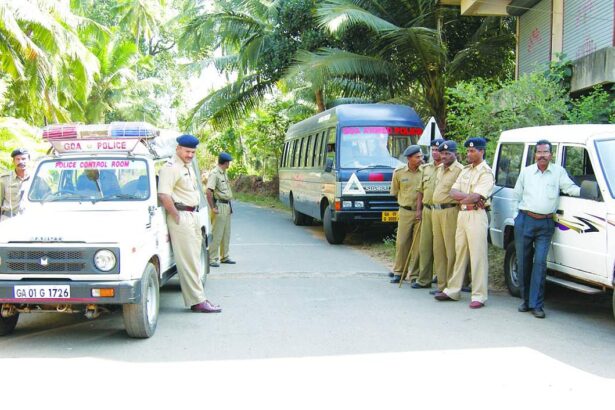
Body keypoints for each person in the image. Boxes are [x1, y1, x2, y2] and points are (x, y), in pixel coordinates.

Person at [513, 139, 580, 319]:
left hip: (546, 223)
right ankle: (525, 301)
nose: (542, 156)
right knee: (523, 261)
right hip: (525, 220)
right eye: (539, 152)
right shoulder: (526, 172)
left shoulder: (558, 172)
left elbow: (570, 188)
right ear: (535, 154)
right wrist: (516, 217)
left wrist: (588, 191)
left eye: (546, 152)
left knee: (540, 264)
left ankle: (537, 305)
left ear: (551, 154)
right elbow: (516, 195)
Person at [158, 135, 221, 313]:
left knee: (194, 258)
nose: (190, 155)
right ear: (178, 148)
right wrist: (176, 216)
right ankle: (197, 301)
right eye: (187, 151)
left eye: (193, 152)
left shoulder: (187, 167)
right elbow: (164, 195)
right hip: (182, 216)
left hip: (192, 215)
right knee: (188, 261)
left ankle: (200, 298)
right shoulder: (170, 168)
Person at [435, 137, 494, 308]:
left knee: (477, 255)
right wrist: (468, 199)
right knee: (460, 252)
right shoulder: (466, 170)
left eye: (472, 151)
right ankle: (453, 290)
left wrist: (470, 198)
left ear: (481, 151)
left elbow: (478, 196)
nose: (469, 153)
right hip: (463, 214)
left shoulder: (486, 172)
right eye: (467, 151)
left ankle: (479, 295)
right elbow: (452, 192)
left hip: (476, 215)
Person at [429, 141, 464, 293]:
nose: (444, 156)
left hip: (450, 211)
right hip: (436, 211)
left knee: (451, 250)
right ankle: (441, 285)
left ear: (455, 153)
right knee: (438, 249)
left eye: (447, 153)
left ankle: (451, 285)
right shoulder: (440, 169)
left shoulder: (460, 170)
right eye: (442, 153)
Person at [411, 138, 444, 289]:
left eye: (438, 150)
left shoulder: (448, 168)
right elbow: (420, 191)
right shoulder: (426, 168)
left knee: (440, 247)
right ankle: (424, 279)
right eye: (433, 150)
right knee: (425, 246)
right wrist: (418, 210)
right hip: (427, 210)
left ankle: (442, 279)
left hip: (442, 210)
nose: (435, 153)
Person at [389, 145, 422, 284]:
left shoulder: (425, 172)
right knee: (402, 243)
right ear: (409, 158)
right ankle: (399, 271)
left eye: (421, 156)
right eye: (417, 157)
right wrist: (405, 204)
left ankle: (414, 275)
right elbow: (395, 192)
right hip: (405, 211)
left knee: (418, 245)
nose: (421, 159)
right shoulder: (399, 172)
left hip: (421, 212)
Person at [206, 152, 235, 268]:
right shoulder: (215, 173)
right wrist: (213, 207)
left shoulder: (224, 173)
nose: (229, 164)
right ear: (225, 162)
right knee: (217, 233)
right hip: (219, 206)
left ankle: (225, 256)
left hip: (226, 205)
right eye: (229, 162)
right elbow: (208, 192)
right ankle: (212, 258)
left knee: (226, 233)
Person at [0, 148, 30, 221]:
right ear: (13, 161)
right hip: (8, 219)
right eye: (18, 159)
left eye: (23, 159)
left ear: (29, 160)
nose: (21, 161)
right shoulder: (4, 179)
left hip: (29, 220)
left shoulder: (36, 179)